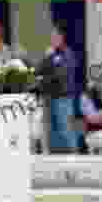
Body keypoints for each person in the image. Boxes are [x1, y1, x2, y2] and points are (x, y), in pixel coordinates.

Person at [35, 25, 80, 153]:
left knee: (66, 128)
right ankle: (56, 155)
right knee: (52, 131)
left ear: (62, 37)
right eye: (52, 37)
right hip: (50, 97)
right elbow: (39, 69)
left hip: (64, 98)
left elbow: (61, 75)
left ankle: (74, 153)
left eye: (55, 36)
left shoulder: (68, 54)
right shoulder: (51, 54)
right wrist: (46, 57)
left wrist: (44, 79)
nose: (53, 39)